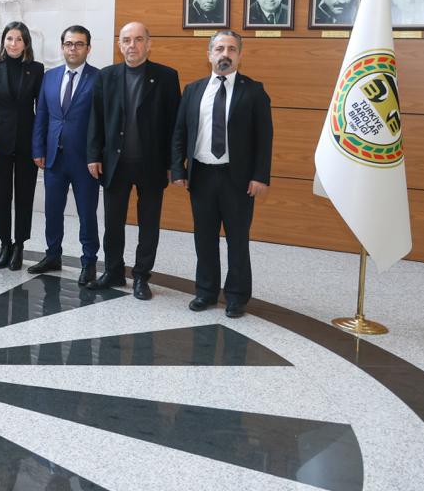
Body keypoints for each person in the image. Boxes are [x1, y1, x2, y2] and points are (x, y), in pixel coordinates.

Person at [171, 30, 272, 318]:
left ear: (240, 55)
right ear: (209, 54)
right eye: (219, 49)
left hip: (237, 179)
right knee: (204, 238)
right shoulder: (193, 90)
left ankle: (237, 297)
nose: (225, 54)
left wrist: (260, 176)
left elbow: (264, 138)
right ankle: (205, 291)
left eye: (231, 49)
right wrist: (178, 168)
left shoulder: (254, 91)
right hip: (201, 176)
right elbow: (180, 132)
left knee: (237, 239)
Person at [86, 21, 180, 299]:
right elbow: (96, 119)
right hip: (115, 164)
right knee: (113, 223)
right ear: (119, 45)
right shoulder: (106, 76)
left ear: (148, 44)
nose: (132, 45)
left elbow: (175, 125)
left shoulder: (166, 77)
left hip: (152, 164)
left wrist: (173, 164)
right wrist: (93, 155)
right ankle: (113, 271)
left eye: (138, 39)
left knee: (148, 224)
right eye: (126, 40)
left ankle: (141, 276)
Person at [30, 25, 101, 284]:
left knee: (87, 213)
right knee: (52, 211)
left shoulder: (99, 78)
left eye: (79, 44)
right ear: (62, 47)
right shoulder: (50, 77)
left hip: (84, 160)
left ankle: (89, 261)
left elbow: (101, 122)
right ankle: (52, 255)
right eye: (69, 44)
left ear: (88, 48)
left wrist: (97, 155)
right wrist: (38, 148)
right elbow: (42, 115)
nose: (73, 48)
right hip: (54, 158)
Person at [0, 22, 44, 271]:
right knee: (2, 196)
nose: (14, 43)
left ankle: (19, 245)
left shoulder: (36, 69)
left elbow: (41, 111)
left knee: (25, 197)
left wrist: (40, 146)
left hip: (27, 145)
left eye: (19, 39)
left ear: (26, 43)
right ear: (3, 42)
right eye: (9, 38)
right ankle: (5, 244)